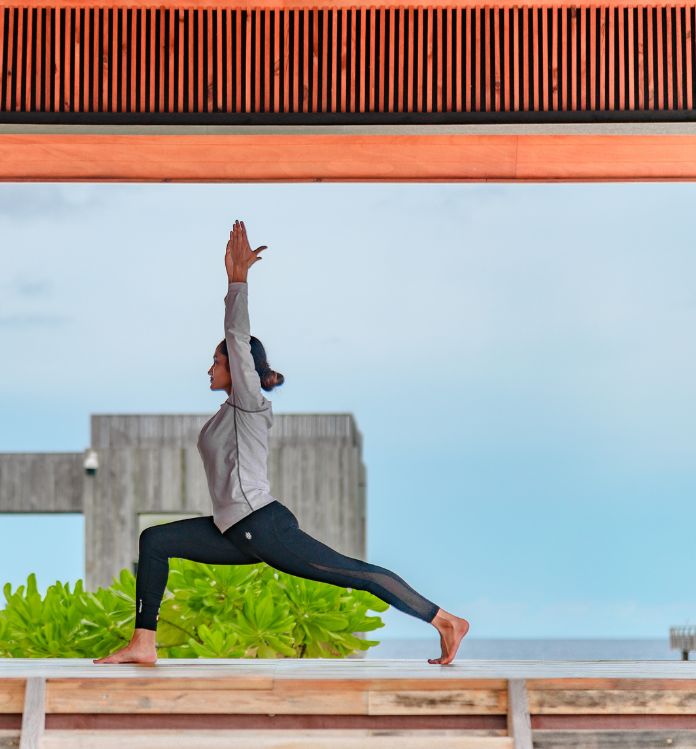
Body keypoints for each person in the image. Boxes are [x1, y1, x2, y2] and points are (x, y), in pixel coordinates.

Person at [95, 221, 469, 666]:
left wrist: (237, 282)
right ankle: (143, 643)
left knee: (356, 574)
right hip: (233, 530)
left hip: (261, 525)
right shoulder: (227, 413)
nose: (210, 368)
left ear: (238, 368)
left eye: (217, 361)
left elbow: (237, 338)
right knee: (155, 540)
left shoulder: (249, 403)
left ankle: (445, 620)